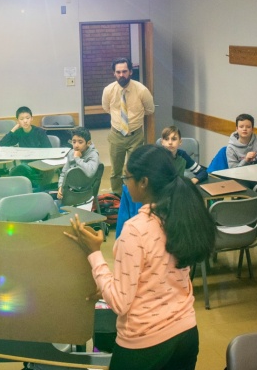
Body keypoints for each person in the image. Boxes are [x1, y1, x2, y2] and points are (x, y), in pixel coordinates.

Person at [65, 145, 215, 370]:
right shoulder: (180, 213)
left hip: (145, 343)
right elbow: (155, 276)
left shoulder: (135, 229)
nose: (125, 183)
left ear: (144, 182)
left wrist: (94, 253)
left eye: (127, 177)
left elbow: (119, 302)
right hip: (185, 333)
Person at [116, 126, 204, 237]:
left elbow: (202, 172)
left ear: (180, 142)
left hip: (172, 197)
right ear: (162, 142)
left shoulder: (182, 157)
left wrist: (193, 180)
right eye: (167, 139)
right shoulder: (156, 159)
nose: (170, 143)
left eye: (174, 139)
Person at [101, 58, 155, 195]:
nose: (121, 75)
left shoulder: (142, 90)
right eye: (118, 72)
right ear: (114, 73)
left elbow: (150, 110)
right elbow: (106, 108)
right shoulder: (108, 90)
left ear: (130, 72)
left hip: (135, 136)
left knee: (135, 170)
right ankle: (117, 198)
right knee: (115, 171)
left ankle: (134, 197)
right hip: (116, 135)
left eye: (124, 71)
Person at [56, 126, 100, 201]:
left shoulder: (93, 155)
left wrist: (77, 158)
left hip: (86, 191)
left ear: (88, 143)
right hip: (70, 190)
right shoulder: (71, 153)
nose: (76, 145)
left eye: (80, 142)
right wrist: (60, 186)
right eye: (74, 142)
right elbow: (64, 173)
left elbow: (90, 173)